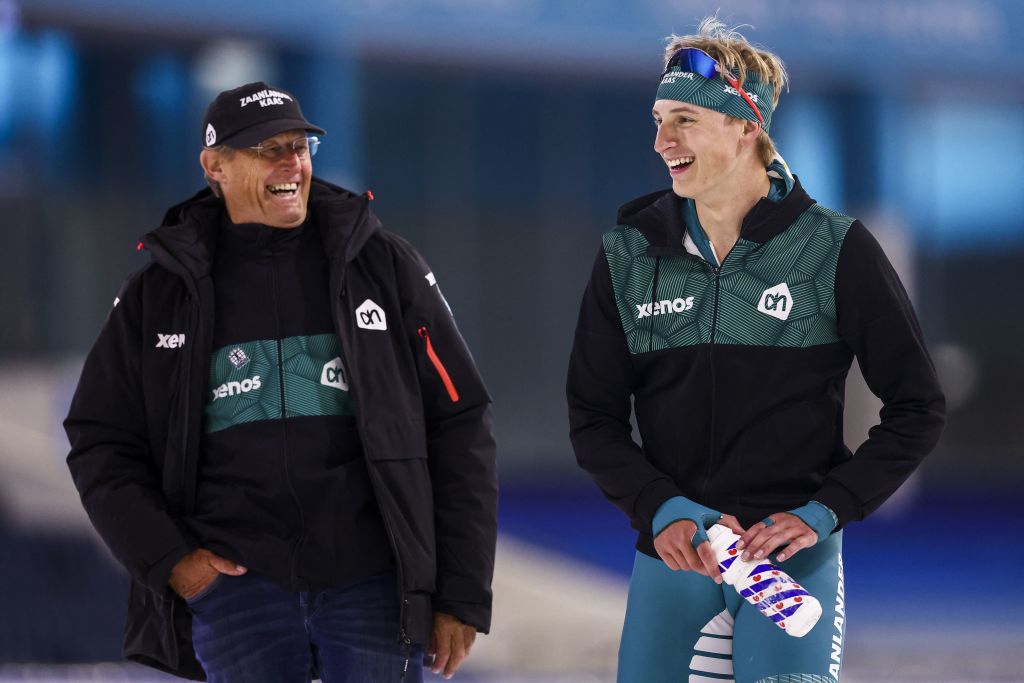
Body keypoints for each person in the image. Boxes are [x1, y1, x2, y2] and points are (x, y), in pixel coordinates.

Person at [65, 81, 497, 682]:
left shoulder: (383, 265)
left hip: (372, 587)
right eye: (269, 149)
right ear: (216, 166)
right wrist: (176, 563)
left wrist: (463, 592)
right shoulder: (158, 294)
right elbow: (99, 440)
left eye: (300, 146)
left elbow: (460, 420)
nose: (292, 163)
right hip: (236, 593)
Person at [566, 18, 945, 682]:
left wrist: (826, 508)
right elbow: (592, 418)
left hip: (788, 558)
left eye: (683, 119)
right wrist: (659, 504)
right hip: (675, 557)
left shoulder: (832, 249)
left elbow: (918, 405)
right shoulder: (627, 258)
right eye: (658, 119)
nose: (661, 141)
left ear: (747, 126)